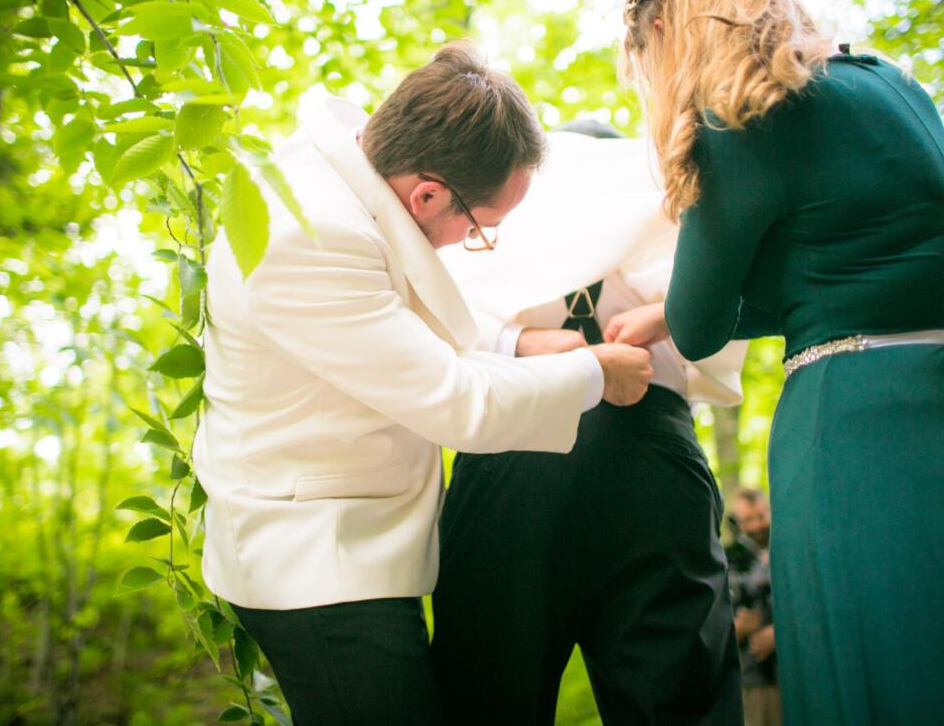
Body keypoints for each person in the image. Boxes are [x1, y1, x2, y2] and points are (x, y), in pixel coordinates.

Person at [613, 0, 944, 724]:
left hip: (854, 426)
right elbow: (847, 275)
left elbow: (700, 326)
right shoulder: (894, 86)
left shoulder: (744, 118)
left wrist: (665, 311)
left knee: (867, 658)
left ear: (672, 33)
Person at [192, 43, 654, 725]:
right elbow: (455, 401)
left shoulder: (345, 187)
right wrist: (594, 372)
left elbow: (394, 338)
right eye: (479, 228)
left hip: (355, 546)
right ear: (429, 192)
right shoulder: (312, 233)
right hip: (316, 566)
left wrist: (516, 344)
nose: (471, 242)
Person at [432, 125, 744, 724]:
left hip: (512, 437)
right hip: (650, 449)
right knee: (681, 697)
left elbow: (428, 322)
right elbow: (721, 310)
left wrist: (515, 340)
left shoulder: (491, 205)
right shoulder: (671, 190)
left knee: (487, 692)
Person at [726, 488, 779, 726]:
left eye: (760, 517)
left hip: (796, 670)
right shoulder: (728, 560)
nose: (756, 526)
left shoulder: (787, 551)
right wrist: (738, 629)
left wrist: (778, 633)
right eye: (748, 520)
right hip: (753, 678)